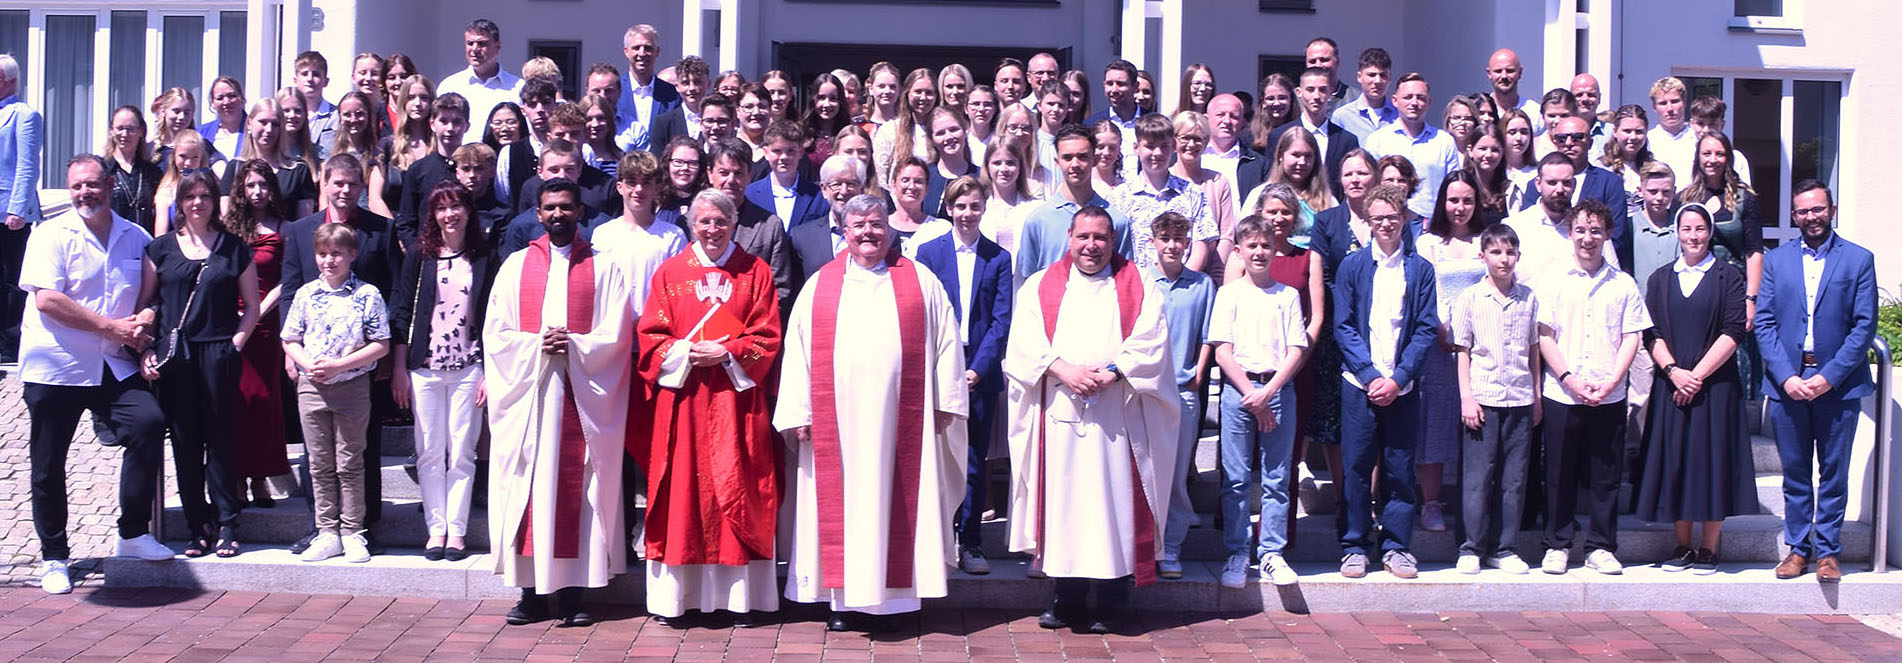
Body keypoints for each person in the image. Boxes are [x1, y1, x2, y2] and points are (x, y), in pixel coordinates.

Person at [775, 194, 967, 632]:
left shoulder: (919, 279)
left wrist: (945, 403)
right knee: (841, 507)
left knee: (899, 503)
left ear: (889, 230)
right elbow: (797, 351)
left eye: (876, 224)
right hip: (835, 425)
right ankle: (842, 602)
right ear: (844, 232)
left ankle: (899, 603)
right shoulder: (820, 285)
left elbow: (947, 342)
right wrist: (800, 411)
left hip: (905, 423)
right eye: (858, 225)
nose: (868, 232)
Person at [1004, 204, 1177, 634]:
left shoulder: (1138, 283)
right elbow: (1024, 343)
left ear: (1113, 240)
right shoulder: (1040, 285)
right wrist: (1063, 369)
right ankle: (1066, 598)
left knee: (1112, 504)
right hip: (1060, 415)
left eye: (1100, 237)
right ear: (1069, 237)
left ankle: (1113, 600)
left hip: (1118, 414)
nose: (1092, 245)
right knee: (1066, 505)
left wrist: (1114, 371)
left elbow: (1152, 339)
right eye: (1083, 237)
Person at [485, 177, 640, 627]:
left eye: (566, 207)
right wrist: (538, 344)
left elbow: (617, 336)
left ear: (580, 212)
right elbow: (496, 334)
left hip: (582, 401)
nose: (558, 214)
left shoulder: (604, 268)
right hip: (532, 402)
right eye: (550, 207)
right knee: (530, 488)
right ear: (538, 214)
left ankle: (573, 595)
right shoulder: (515, 266)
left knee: (578, 489)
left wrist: (574, 344)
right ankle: (530, 594)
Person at [22, 155, 173, 595]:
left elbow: (154, 292)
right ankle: (54, 556)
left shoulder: (137, 237)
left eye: (91, 184)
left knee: (147, 424)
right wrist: (111, 327)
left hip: (113, 363)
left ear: (109, 185)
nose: (84, 193)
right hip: (58, 364)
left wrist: (147, 314)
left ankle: (132, 534)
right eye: (76, 187)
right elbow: (48, 300)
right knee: (48, 464)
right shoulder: (49, 234)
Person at [634, 188, 783, 627]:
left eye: (721, 221)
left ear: (734, 224)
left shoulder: (755, 272)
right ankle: (678, 600)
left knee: (738, 486)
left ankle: (739, 600)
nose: (713, 229)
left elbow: (767, 335)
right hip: (684, 401)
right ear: (691, 224)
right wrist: (685, 352)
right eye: (704, 221)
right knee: (682, 491)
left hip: (736, 401)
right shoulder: (670, 273)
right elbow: (651, 336)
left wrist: (728, 352)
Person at [280, 154, 405, 554]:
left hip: (363, 361)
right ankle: (322, 528)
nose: (345, 190)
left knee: (360, 448)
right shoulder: (300, 231)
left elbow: (395, 289)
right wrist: (293, 354)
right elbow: (289, 291)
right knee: (317, 454)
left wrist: (388, 355)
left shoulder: (381, 229)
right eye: (338, 183)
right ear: (325, 184)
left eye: (353, 183)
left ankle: (362, 526)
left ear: (362, 186)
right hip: (313, 363)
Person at [1756, 181, 1878, 584]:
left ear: (1832, 210)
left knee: (1833, 473)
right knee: (1794, 472)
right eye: (1803, 211)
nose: (1812, 217)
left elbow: (1863, 327)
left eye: (1818, 209)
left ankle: (1827, 552)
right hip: (1788, 384)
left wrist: (1829, 376)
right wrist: (1787, 376)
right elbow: (1765, 323)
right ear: (1794, 216)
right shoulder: (1776, 261)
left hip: (1838, 386)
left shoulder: (1858, 260)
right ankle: (1797, 549)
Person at [142, 168, 261, 559]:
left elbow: (252, 306)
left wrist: (235, 344)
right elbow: (146, 305)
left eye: (205, 196)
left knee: (221, 439)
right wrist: (146, 350)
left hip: (217, 353)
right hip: (176, 356)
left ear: (214, 201)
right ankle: (198, 524)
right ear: (180, 202)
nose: (197, 203)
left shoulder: (234, 248)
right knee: (185, 440)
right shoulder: (159, 249)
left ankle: (227, 522)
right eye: (190, 196)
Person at [1637, 203, 1756, 575]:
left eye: (1700, 228)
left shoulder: (1728, 276)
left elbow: (1733, 331)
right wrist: (1674, 372)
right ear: (1677, 232)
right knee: (1677, 460)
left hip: (1715, 386)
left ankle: (1708, 548)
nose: (1694, 236)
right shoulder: (1659, 279)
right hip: (1671, 383)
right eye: (1687, 229)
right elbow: (1650, 333)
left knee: (1711, 462)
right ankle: (1682, 545)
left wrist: (1696, 377)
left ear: (1710, 232)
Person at [1533, 199, 1650, 576]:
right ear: (1570, 233)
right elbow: (1544, 335)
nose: (1588, 238)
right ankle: (1557, 543)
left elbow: (1632, 336)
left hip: (1608, 394)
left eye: (1596, 230)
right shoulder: (1553, 279)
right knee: (1558, 473)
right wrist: (1568, 378)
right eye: (1581, 230)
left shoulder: (1623, 283)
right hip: (1562, 392)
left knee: (1605, 476)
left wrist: (1613, 379)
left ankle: (1601, 546)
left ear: (1608, 234)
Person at [1331, 183, 1438, 580]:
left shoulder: (1420, 269)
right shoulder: (1353, 266)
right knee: (1357, 468)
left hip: (1402, 387)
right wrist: (1370, 375)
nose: (1386, 225)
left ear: (1404, 218)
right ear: (1368, 222)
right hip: (1359, 385)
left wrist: (1399, 378)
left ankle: (1395, 546)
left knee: (1399, 468)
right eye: (1378, 219)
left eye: (1393, 217)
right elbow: (1343, 326)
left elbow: (1425, 328)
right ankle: (1354, 546)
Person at [388, 182, 497, 563]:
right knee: (430, 451)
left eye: (456, 207)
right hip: (425, 367)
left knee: (463, 452)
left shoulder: (485, 256)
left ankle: (457, 531)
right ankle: (436, 529)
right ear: (432, 215)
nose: (449, 215)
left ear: (468, 210)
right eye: (441, 208)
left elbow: (495, 316)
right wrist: (399, 368)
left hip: (469, 367)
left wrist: (489, 371)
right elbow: (402, 311)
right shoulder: (421, 257)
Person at [912, 176, 1014, 576]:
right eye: (960, 206)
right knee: (936, 455)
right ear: (949, 209)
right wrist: (945, 367)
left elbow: (1000, 321)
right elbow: (921, 312)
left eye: (974, 206)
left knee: (973, 459)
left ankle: (970, 541)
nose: (967, 214)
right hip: (939, 364)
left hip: (979, 369)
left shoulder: (998, 258)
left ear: (984, 208)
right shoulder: (929, 253)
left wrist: (976, 369)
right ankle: (934, 539)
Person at [1206, 207, 1306, 588]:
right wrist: (1251, 394)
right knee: (1235, 479)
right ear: (1239, 252)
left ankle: (1272, 553)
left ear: (1276, 249)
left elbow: (1296, 350)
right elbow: (1222, 351)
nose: (1260, 252)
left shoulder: (1287, 296)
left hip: (1277, 391)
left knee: (1277, 478)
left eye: (1266, 245)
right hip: (1239, 393)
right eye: (1252, 246)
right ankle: (1237, 552)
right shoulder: (1229, 294)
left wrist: (1269, 392)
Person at [1449, 223, 1540, 575]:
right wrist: (1466, 398)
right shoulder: (1470, 298)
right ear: (1482, 256)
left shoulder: (1529, 298)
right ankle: (1471, 546)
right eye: (1496, 252)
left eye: (1510, 252)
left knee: (1513, 479)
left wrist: (1536, 396)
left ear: (1519, 256)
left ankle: (1504, 548)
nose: (1504, 259)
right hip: (1483, 397)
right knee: (1478, 477)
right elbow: (1462, 351)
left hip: (1519, 397)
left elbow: (1533, 349)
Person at [1413, 171, 1493, 533]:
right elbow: (1421, 291)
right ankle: (1430, 502)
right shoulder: (1428, 243)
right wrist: (1440, 328)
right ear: (1442, 202)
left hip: (1482, 346)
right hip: (1438, 347)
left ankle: (1474, 502)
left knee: (1478, 425)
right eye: (1453, 200)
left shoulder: (1486, 240)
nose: (1460, 207)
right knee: (1434, 423)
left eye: (1467, 200)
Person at [224, 160, 294, 507]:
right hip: (233, 322)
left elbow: (288, 277)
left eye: (263, 185)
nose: (257, 192)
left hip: (266, 323)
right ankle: (237, 476)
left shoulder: (284, 228)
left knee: (265, 400)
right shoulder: (229, 227)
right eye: (250, 185)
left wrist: (259, 309)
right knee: (237, 401)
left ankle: (261, 478)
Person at [1680, 130, 1763, 400]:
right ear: (1698, 157)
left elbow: (1754, 252)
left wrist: (1751, 299)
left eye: (1719, 153)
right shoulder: (1685, 197)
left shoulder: (1745, 198)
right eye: (1707, 153)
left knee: (1736, 358)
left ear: (1728, 158)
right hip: (1696, 286)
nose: (1712, 159)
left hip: (1734, 288)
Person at [1014, 124, 1134, 280]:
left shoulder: (1116, 220)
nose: (1075, 164)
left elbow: (1126, 280)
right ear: (1057, 162)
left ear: (1094, 160)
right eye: (1067, 157)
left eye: (1082, 157)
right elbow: (1026, 280)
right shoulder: (1037, 221)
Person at [1520, 115, 1632, 271]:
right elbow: (1527, 231)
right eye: (1561, 138)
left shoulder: (1610, 182)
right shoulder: (1536, 185)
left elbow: (1615, 237)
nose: (1568, 143)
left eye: (1577, 137)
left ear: (1590, 142)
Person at [1110, 114, 1214, 273]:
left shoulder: (1192, 193)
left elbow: (1201, 244)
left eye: (1164, 146)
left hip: (1181, 282)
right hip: (1134, 282)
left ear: (1173, 146)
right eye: (1150, 146)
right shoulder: (1119, 197)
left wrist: (1181, 281)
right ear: (1136, 148)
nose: (1157, 153)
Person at [1364, 73, 1460, 218]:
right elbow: (1370, 188)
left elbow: (1453, 188)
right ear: (1395, 101)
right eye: (1408, 97)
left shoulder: (1444, 141)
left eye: (1420, 98)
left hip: (1432, 224)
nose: (1414, 103)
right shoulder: (1377, 141)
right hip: (1390, 223)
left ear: (1429, 102)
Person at [1271, 67, 1361, 202]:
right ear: (1299, 92)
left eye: (1323, 90)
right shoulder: (1279, 136)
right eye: (1310, 90)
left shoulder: (1347, 140)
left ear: (1330, 93)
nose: (1317, 96)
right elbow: (1272, 179)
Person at [1169, 112, 1237, 278]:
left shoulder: (1218, 182)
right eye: (1185, 138)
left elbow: (1226, 236)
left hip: (1207, 276)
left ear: (1206, 142)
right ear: (1173, 141)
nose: (1191, 144)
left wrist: (1216, 275)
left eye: (1198, 139)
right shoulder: (1165, 180)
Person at [438, 19, 523, 147]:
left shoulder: (518, 88)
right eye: (470, 43)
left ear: (498, 46)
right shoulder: (450, 86)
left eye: (481, 43)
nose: (475, 49)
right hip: (460, 156)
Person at [747, 120, 829, 231]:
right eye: (777, 151)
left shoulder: (818, 195)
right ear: (766, 152)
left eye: (791, 151)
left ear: (800, 152)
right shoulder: (750, 194)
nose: (784, 157)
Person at [617, 24, 680, 153]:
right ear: (626, 51)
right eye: (636, 48)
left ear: (657, 52)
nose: (642, 53)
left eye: (648, 48)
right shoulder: (615, 90)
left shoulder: (672, 95)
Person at [1204, 94, 1266, 222]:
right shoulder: (1190, 159)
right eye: (1220, 114)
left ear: (1242, 122)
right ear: (1206, 119)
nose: (1227, 121)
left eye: (1234, 116)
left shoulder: (1259, 164)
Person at [980, 133, 1041, 256]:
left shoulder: (1036, 208)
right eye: (997, 163)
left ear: (1020, 166)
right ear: (987, 166)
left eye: (1010, 163)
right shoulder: (979, 207)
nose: (1004, 169)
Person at [103, 106, 161, 234]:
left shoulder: (153, 173)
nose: (125, 134)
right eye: (120, 128)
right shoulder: (103, 171)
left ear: (141, 132)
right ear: (111, 131)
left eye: (130, 129)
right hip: (113, 241)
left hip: (146, 243)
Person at [1084, 60, 1142, 176]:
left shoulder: (1151, 123)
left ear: (1135, 87)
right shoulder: (1090, 125)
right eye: (1109, 84)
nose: (1114, 90)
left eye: (1121, 84)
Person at [1331, 48, 1397, 143]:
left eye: (1383, 75)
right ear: (1359, 77)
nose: (1377, 81)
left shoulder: (1399, 115)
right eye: (1371, 75)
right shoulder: (1343, 116)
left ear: (1390, 79)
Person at [648, 56, 711, 151]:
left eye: (697, 82)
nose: (692, 88)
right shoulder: (664, 123)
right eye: (685, 83)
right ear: (677, 86)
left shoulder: (718, 121)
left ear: (708, 84)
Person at [1646, 77, 1697, 191]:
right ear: (1654, 107)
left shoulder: (1698, 140)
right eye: (1663, 103)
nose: (1669, 108)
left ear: (1684, 102)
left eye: (1674, 101)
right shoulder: (1647, 141)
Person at [292, 51, 340, 157]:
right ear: (295, 80)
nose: (310, 79)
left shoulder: (336, 116)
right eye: (304, 74)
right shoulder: (288, 115)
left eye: (316, 74)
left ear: (326, 81)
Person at [1485, 49, 1542, 135]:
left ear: (1520, 72)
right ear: (1489, 74)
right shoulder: (1481, 113)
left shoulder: (1535, 113)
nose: (1504, 76)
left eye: (1510, 71)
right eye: (1498, 71)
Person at [199, 76, 247, 161]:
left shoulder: (254, 131)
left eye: (231, 96)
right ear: (212, 103)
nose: (226, 102)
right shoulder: (201, 133)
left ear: (242, 99)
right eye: (220, 98)